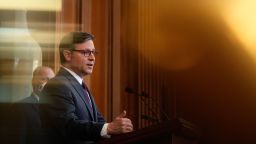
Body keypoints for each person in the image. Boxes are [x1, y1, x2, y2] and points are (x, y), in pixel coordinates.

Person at [39, 32, 133, 144]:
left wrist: (116, 129)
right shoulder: (57, 85)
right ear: (67, 55)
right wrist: (108, 128)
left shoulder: (80, 86)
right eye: (86, 52)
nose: (92, 58)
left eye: (93, 52)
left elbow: (98, 121)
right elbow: (68, 125)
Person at [11, 66, 55, 144]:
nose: (48, 84)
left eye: (51, 81)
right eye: (44, 79)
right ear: (33, 81)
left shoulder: (59, 106)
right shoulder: (20, 107)